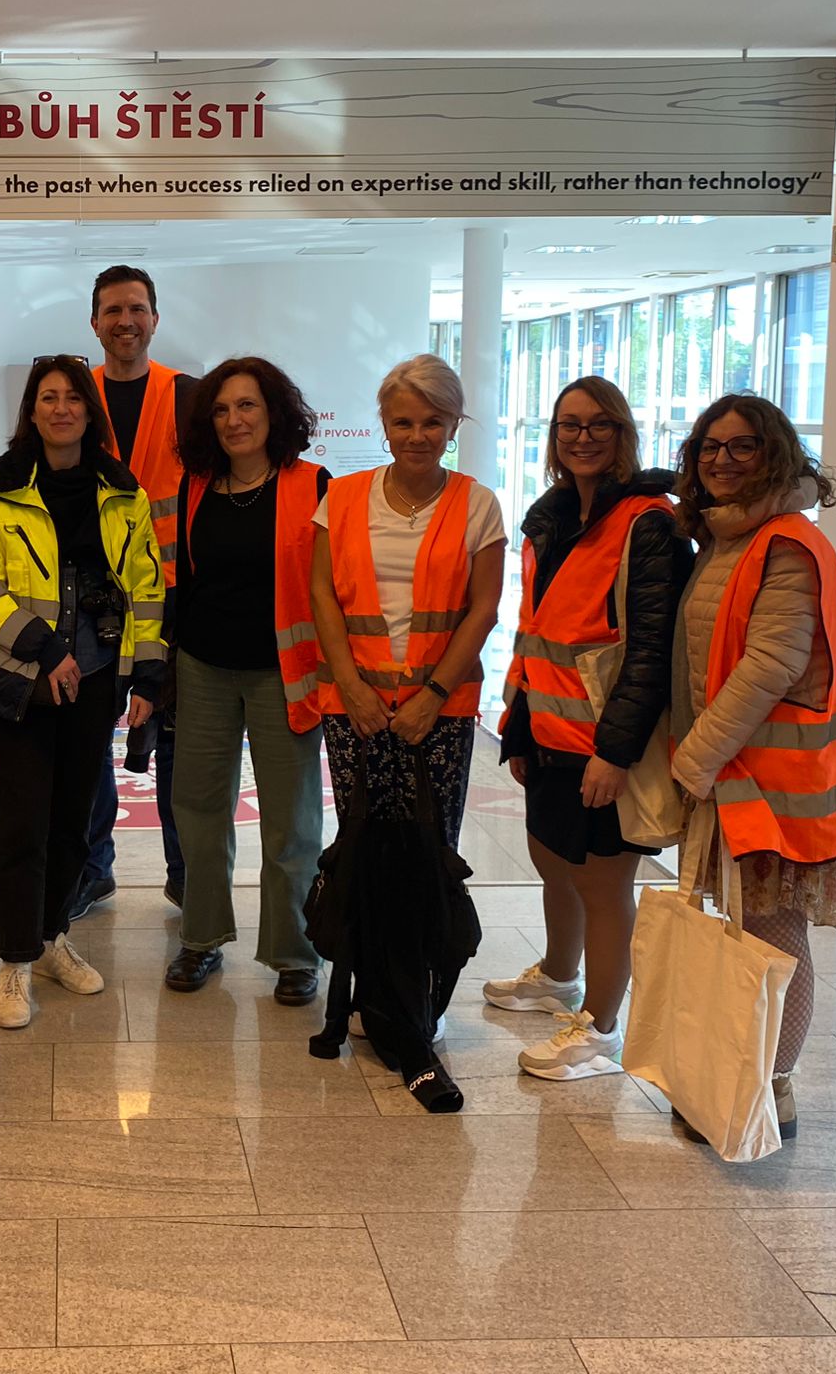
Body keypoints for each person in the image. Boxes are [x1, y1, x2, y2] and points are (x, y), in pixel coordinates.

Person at [669, 393, 836, 1142]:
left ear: (775, 453)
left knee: (777, 936)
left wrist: (694, 759)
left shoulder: (784, 543)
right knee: (753, 932)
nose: (722, 459)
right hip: (742, 778)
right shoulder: (729, 538)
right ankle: (748, 1076)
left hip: (781, 788)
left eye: (742, 446)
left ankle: (772, 1091)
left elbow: (770, 667)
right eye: (710, 447)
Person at [310, 354, 504, 1112]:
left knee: (423, 852)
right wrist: (353, 686)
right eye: (403, 420)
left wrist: (430, 693)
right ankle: (372, 992)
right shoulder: (343, 498)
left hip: (439, 712)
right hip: (353, 705)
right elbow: (323, 595)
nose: (417, 435)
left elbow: (483, 608)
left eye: (433, 421)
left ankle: (414, 1002)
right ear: (383, 424)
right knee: (363, 845)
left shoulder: (478, 505)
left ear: (454, 426)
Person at [0, 354, 166, 1029]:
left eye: (73, 398)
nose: (61, 408)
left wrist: (148, 674)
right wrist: (44, 650)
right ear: (32, 410)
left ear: (88, 411)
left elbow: (148, 589)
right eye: (48, 397)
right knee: (22, 824)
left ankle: (50, 942)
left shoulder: (123, 494)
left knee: (76, 821)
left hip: (98, 682)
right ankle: (14, 963)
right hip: (23, 682)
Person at [494, 376, 691, 1079]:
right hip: (548, 734)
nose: (581, 437)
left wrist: (616, 753)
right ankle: (559, 975)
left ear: (623, 434)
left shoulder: (649, 524)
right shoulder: (552, 518)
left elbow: (650, 654)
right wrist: (518, 727)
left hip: (606, 747)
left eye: (598, 425)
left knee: (605, 885)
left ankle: (602, 1030)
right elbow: (538, 632)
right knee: (554, 863)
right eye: (568, 425)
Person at [164, 357, 332, 1006]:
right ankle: (200, 940)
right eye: (223, 409)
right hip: (204, 668)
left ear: (274, 413)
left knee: (291, 823)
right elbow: (187, 582)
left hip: (283, 674)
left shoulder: (314, 483)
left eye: (248, 406)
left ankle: (295, 954)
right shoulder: (195, 486)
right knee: (200, 812)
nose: (235, 420)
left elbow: (329, 589)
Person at [73, 265, 193, 921]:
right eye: (114, 310)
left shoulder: (189, 396)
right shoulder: (73, 396)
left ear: (155, 317)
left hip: (172, 600)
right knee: (90, 738)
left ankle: (183, 876)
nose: (126, 320)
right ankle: (93, 871)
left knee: (174, 743)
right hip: (91, 602)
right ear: (95, 322)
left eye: (138, 308)